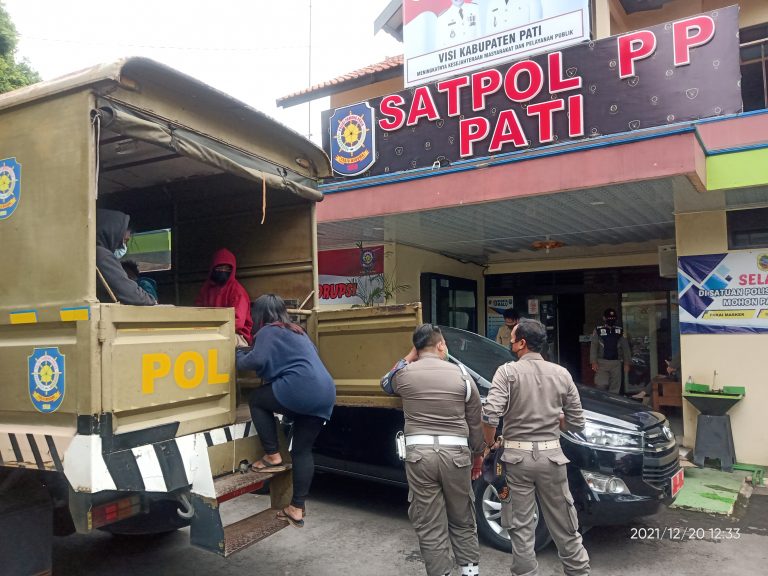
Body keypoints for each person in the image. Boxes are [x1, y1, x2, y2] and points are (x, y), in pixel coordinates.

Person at [482, 318, 590, 576]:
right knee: (565, 524)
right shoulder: (561, 374)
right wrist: (555, 419)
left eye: (512, 337)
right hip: (553, 457)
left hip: (517, 458)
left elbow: (490, 416)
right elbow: (577, 422)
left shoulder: (507, 372)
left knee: (520, 526)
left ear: (522, 343)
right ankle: (578, 571)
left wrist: (491, 443)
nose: (509, 341)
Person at [380, 324, 485, 576]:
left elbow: (385, 383)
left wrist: (409, 357)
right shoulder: (462, 375)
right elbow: (475, 422)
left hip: (419, 456)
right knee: (462, 518)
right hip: (457, 456)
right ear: (440, 346)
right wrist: (478, 456)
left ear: (417, 349)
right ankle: (470, 572)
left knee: (429, 523)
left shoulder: (404, 374)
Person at [236, 294, 335, 528]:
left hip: (301, 389)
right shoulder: (298, 331)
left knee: (258, 400)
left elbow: (251, 362)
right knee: (302, 451)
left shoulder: (269, 331)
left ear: (259, 315)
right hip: (325, 392)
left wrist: (238, 351)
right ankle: (297, 508)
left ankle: (272, 454)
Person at [96, 209, 156, 306]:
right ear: (112, 234)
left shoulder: (83, 253)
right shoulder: (101, 256)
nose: (124, 246)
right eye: (124, 240)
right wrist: (152, 300)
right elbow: (133, 296)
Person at [196, 248, 254, 347]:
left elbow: (238, 323)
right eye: (219, 268)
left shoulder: (237, 291)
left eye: (227, 269)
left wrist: (214, 331)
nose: (223, 271)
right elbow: (197, 312)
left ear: (232, 269)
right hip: (210, 333)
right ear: (213, 268)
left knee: (216, 343)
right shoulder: (206, 289)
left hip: (237, 336)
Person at [589, 308, 631, 394]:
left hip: (616, 363)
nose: (611, 320)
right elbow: (594, 346)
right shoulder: (598, 330)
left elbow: (625, 347)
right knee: (601, 386)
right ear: (604, 318)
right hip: (602, 363)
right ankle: (601, 406)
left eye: (613, 318)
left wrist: (627, 363)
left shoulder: (620, 331)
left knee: (615, 388)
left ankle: (613, 407)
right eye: (609, 318)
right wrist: (593, 361)